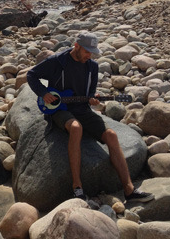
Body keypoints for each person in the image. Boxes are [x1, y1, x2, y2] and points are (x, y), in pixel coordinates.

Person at [27, 31, 154, 203]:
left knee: (112, 135)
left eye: (92, 52)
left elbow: (89, 94)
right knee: (76, 128)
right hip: (58, 109)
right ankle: (77, 187)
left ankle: (129, 190)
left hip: (81, 109)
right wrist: (43, 93)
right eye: (87, 51)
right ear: (76, 46)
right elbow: (31, 75)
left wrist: (92, 98)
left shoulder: (92, 67)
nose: (90, 55)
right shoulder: (57, 61)